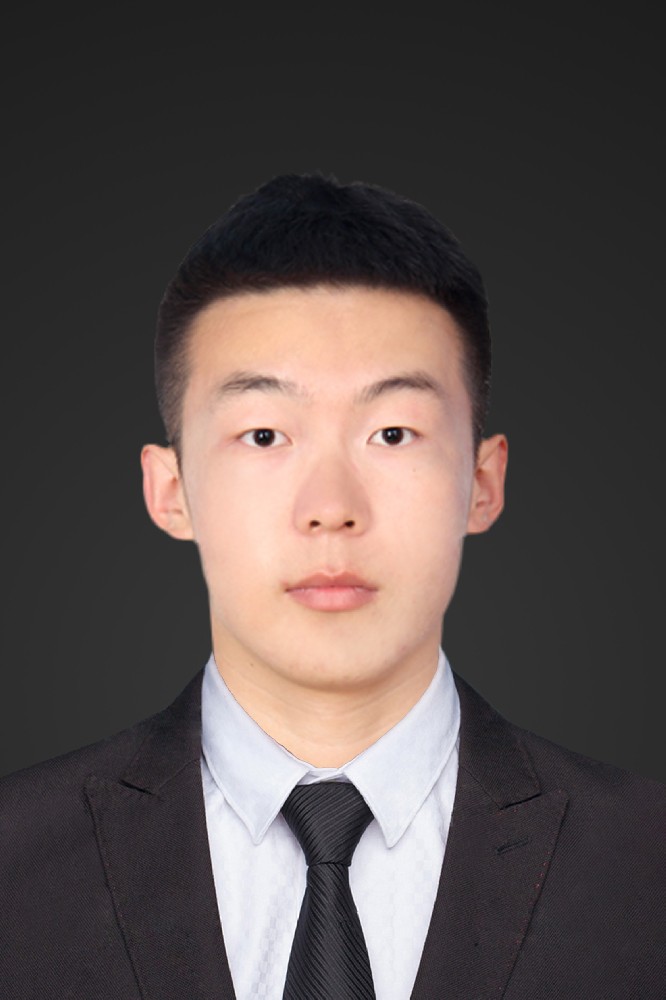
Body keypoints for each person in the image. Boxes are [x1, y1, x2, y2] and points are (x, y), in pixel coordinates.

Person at [0, 173, 663, 1000]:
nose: (331, 508)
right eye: (264, 434)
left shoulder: (644, 861)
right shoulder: (15, 865)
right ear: (170, 491)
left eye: (393, 432)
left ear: (483, 482)